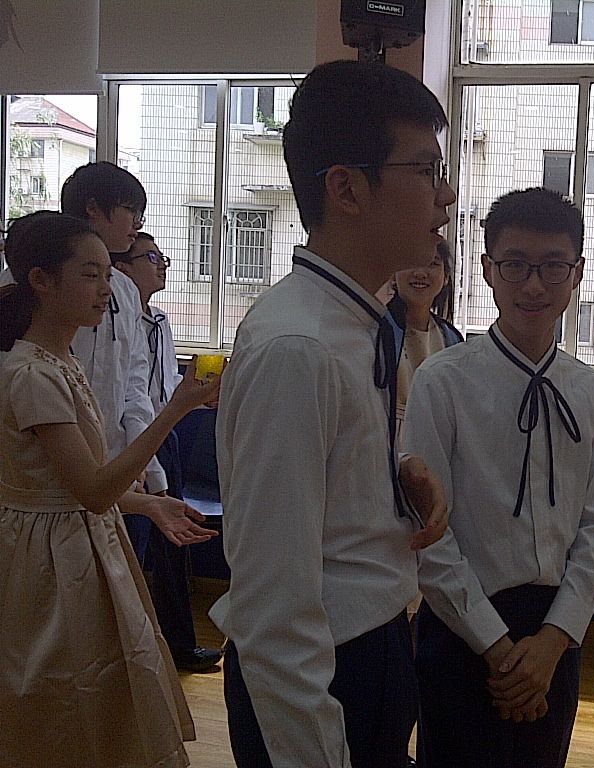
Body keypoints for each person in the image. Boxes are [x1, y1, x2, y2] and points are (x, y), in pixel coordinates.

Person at [209, 59, 454, 768]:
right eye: (425, 170)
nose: (445, 195)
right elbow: (273, 609)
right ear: (346, 188)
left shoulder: (356, 318)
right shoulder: (299, 346)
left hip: (372, 643)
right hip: (322, 668)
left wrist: (393, 474)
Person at [405, 187, 594, 768]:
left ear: (577, 273)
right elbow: (427, 533)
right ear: (487, 270)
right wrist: (499, 650)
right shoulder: (442, 381)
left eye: (553, 267)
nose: (533, 286)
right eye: (515, 265)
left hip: (556, 634)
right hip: (463, 629)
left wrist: (553, 642)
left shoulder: (590, 391)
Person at [0, 212, 220, 767]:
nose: (106, 290)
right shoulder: (32, 374)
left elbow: (75, 483)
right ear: (41, 280)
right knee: (58, 700)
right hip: (51, 560)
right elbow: (92, 490)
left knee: (101, 695)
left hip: (81, 544)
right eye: (90, 275)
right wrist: (177, 409)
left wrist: (147, 503)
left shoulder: (60, 361)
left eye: (107, 274)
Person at [113, 232, 223, 672]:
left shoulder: (159, 321)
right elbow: (132, 402)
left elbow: (163, 390)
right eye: (151, 257)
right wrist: (152, 472)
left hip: (167, 436)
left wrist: (199, 399)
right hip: (136, 445)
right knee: (134, 551)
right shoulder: (115, 324)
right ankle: (132, 655)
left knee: (172, 548)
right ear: (123, 268)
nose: (161, 265)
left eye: (163, 257)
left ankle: (178, 645)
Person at [386, 240, 463, 440]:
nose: (420, 272)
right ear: (393, 275)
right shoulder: (377, 330)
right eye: (411, 261)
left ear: (446, 277)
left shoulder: (452, 338)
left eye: (433, 263)